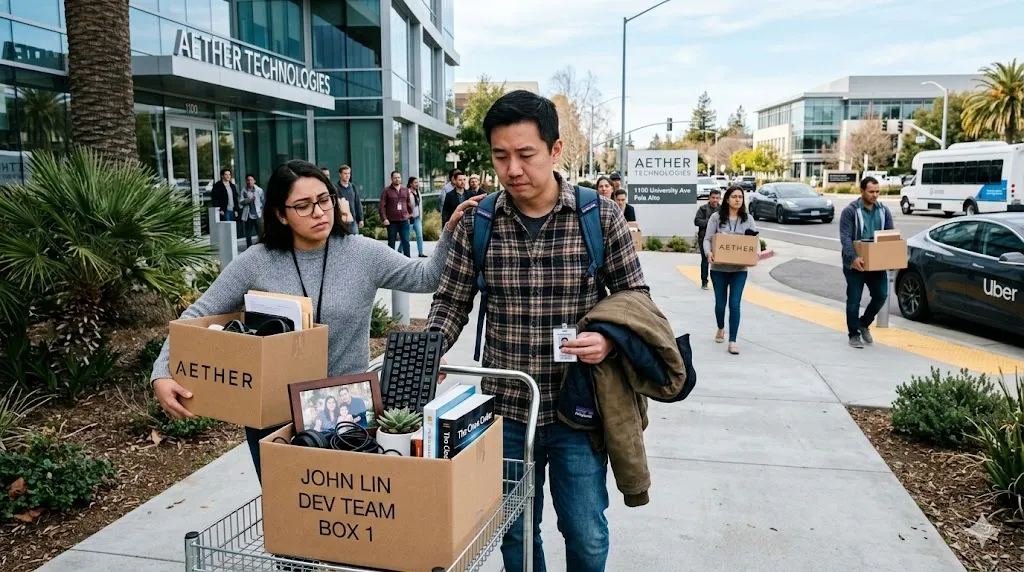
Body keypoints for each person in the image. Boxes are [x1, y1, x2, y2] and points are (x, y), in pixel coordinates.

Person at [426, 89, 648, 572]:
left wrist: (609, 339)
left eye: (525, 155)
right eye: (501, 156)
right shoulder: (478, 223)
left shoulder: (599, 216)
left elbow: (637, 300)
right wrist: (429, 351)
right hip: (504, 412)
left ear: (555, 150)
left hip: (578, 409)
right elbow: (451, 301)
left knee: (586, 535)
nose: (513, 170)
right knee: (516, 536)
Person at [149, 160, 480, 482]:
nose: (320, 212)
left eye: (324, 200)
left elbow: (426, 278)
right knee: (290, 516)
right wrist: (162, 372)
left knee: (347, 514)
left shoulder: (363, 253)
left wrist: (450, 231)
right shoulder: (256, 262)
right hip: (277, 417)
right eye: (303, 206)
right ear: (280, 213)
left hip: (349, 413)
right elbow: (197, 315)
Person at [839, 176, 895, 349]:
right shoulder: (850, 211)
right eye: (871, 191)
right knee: (854, 299)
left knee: (881, 295)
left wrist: (890, 258)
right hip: (855, 262)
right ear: (861, 191)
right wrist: (853, 258)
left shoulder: (883, 211)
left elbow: (890, 235)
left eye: (877, 191)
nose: (875, 195)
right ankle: (853, 334)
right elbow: (846, 237)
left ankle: (864, 323)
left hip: (876, 262)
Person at [702, 185, 757, 355]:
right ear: (727, 199)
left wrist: (757, 254)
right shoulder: (716, 218)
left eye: (740, 197)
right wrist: (708, 252)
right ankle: (720, 327)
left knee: (735, 304)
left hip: (739, 270)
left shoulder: (748, 219)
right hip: (719, 269)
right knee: (720, 305)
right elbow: (707, 239)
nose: (737, 199)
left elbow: (755, 241)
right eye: (734, 196)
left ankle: (733, 340)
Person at [380, 171, 414, 257]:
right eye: (395, 178)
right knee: (391, 243)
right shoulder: (386, 191)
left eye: (398, 177)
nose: (397, 179)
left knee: (406, 242)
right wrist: (384, 218)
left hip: (404, 220)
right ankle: (391, 262)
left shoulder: (405, 190)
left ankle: (408, 261)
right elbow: (381, 206)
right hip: (391, 222)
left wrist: (410, 214)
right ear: (391, 179)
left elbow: (408, 203)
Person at [694, 189, 722, 290]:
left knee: (718, 261)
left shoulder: (722, 209)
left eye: (717, 198)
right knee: (705, 260)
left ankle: (718, 282)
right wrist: (710, 222)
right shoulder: (703, 209)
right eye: (713, 197)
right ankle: (704, 281)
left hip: (718, 239)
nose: (715, 200)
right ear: (709, 198)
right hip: (704, 238)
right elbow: (697, 221)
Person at [336, 165, 364, 235]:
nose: (347, 175)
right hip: (341, 220)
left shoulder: (353, 187)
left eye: (348, 173)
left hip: (353, 219)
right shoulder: (335, 188)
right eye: (345, 173)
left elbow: (357, 203)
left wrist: (360, 219)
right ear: (340, 174)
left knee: (355, 240)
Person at [239, 174, 265, 248]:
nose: (250, 182)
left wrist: (262, 213)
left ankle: (261, 247)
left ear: (254, 181)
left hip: (258, 215)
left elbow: (263, 201)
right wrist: (248, 200)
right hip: (248, 215)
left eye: (251, 180)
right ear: (246, 181)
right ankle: (249, 248)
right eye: (248, 180)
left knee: (260, 233)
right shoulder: (244, 191)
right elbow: (240, 201)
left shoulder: (259, 190)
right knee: (248, 234)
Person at [406, 176, 428, 258]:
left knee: (419, 235)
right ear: (411, 183)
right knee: (406, 236)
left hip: (417, 217)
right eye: (415, 182)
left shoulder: (418, 192)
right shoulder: (407, 193)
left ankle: (421, 252)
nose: (417, 184)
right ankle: (400, 251)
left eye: (417, 182)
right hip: (410, 218)